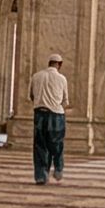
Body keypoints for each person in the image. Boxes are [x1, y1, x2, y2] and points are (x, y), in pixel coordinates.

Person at [30, 52, 69, 184]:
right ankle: (58, 169)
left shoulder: (36, 76)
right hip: (56, 115)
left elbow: (31, 96)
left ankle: (41, 175)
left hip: (39, 114)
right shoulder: (62, 79)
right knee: (56, 144)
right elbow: (65, 101)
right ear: (60, 64)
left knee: (40, 145)